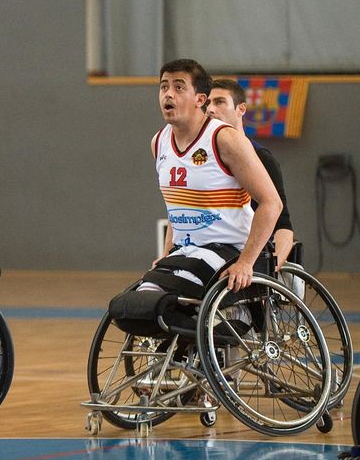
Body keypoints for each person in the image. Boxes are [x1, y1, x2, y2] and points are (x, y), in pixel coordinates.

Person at [108, 59, 282, 335]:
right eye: (164, 87)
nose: (168, 94)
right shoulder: (159, 142)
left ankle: (237, 318)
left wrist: (246, 262)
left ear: (200, 98)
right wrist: (165, 254)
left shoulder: (225, 140)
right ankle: (192, 342)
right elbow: (176, 209)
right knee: (138, 306)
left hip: (228, 249)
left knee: (175, 297)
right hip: (186, 252)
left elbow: (272, 203)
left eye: (179, 87)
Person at [207, 78, 295, 271]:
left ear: (241, 109)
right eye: (207, 103)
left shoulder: (262, 158)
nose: (210, 109)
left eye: (219, 102)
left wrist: (268, 271)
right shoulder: (202, 156)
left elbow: (284, 228)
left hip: (248, 253)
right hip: (212, 249)